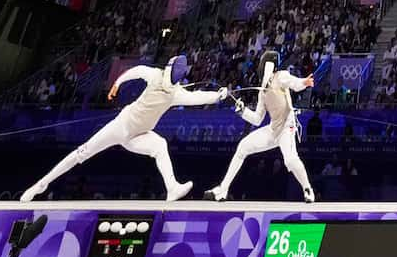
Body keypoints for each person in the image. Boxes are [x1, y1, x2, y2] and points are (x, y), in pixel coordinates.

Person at [20, 54, 227, 202]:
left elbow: (197, 97)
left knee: (160, 145)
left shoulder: (176, 93)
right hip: (122, 126)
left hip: (139, 136)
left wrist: (219, 96)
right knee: (82, 152)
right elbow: (134, 71)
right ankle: (41, 185)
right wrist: (117, 83)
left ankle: (172, 188)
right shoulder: (154, 74)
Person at [208, 51, 317, 203]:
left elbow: (294, 83)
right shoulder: (262, 92)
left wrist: (304, 82)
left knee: (290, 160)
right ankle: (223, 189)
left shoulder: (281, 76)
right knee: (243, 147)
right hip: (273, 130)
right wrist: (242, 110)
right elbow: (257, 119)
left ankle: (308, 190)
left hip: (287, 127)